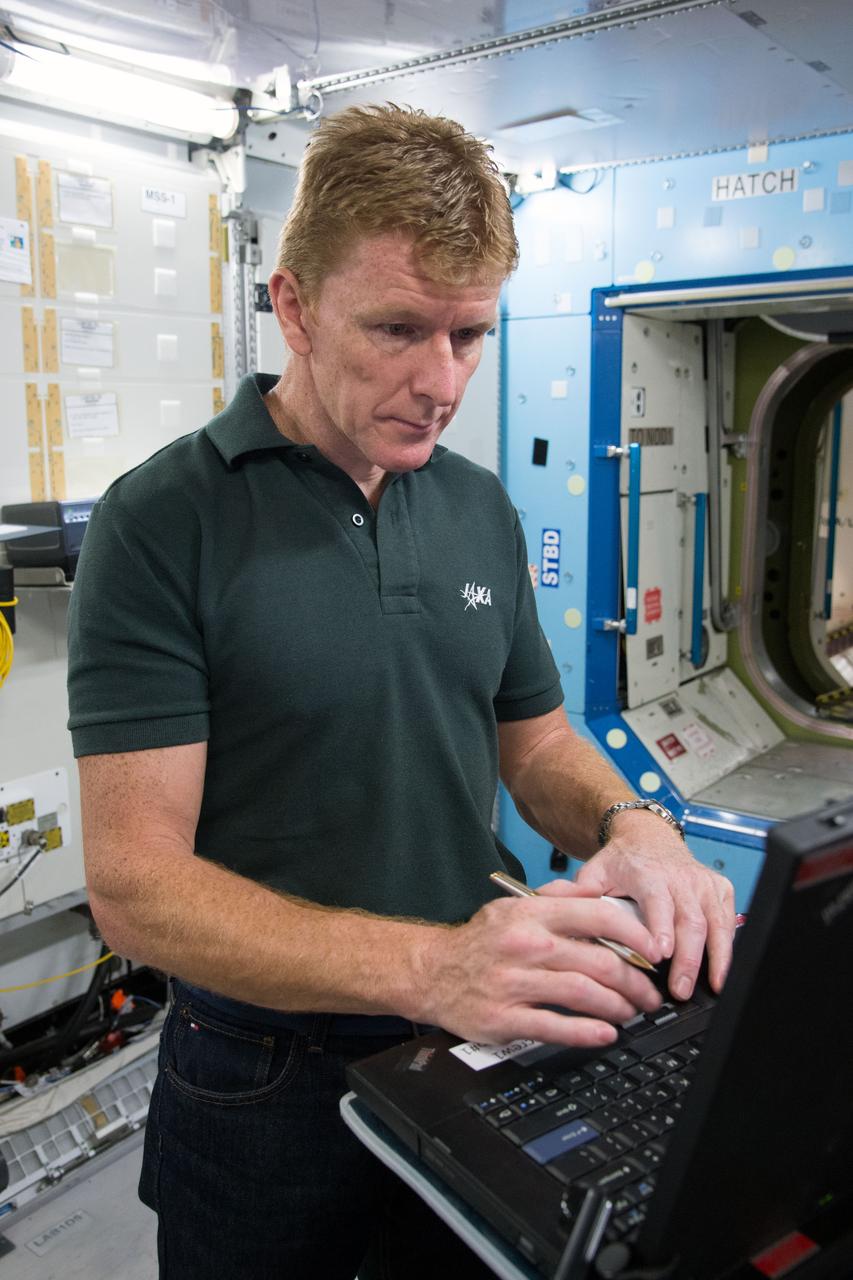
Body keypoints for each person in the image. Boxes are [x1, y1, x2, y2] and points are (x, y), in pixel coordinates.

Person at [67, 104, 735, 1279]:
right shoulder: (165, 520)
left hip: (482, 1030)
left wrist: (636, 827)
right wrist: (433, 966)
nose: (440, 382)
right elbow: (136, 889)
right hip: (264, 1071)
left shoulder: (474, 503)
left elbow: (535, 749)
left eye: (469, 335)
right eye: (396, 328)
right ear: (291, 304)